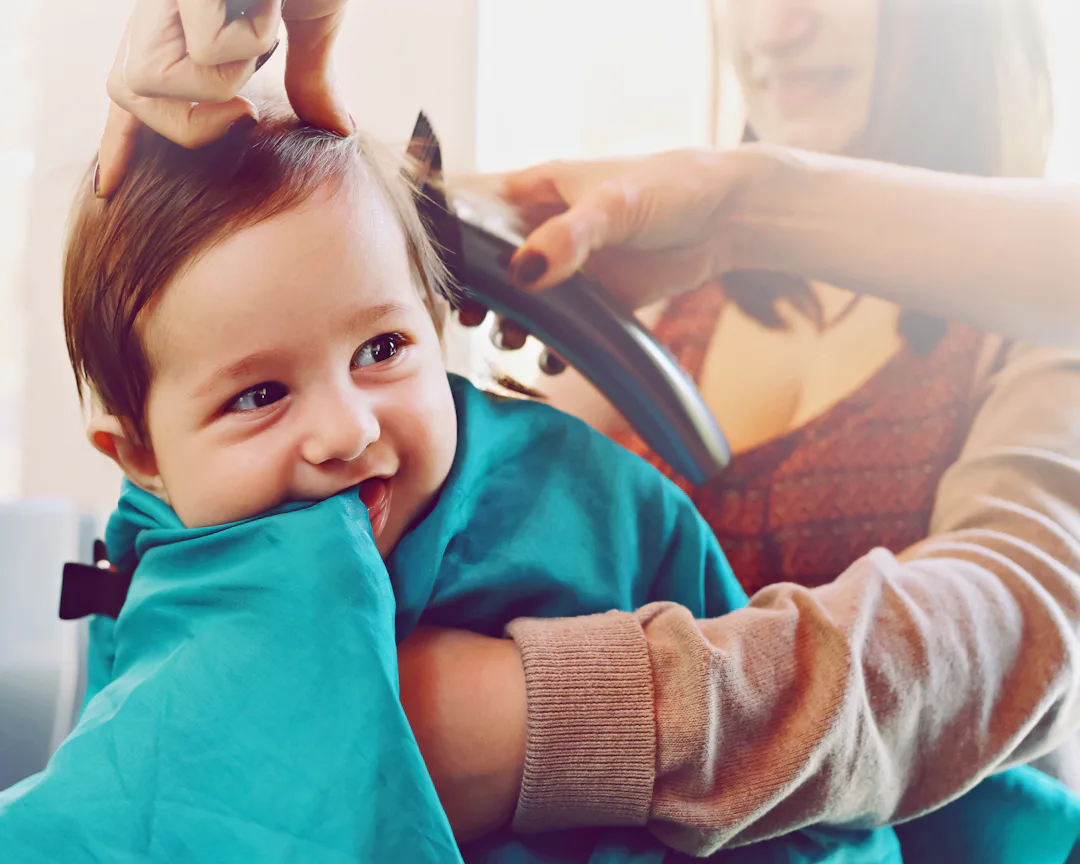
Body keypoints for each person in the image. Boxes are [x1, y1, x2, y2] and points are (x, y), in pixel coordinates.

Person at [95, 0, 1080, 857]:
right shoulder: (640, 292)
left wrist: (531, 722)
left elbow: (1010, 633)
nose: (774, 23)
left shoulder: (1042, 338)